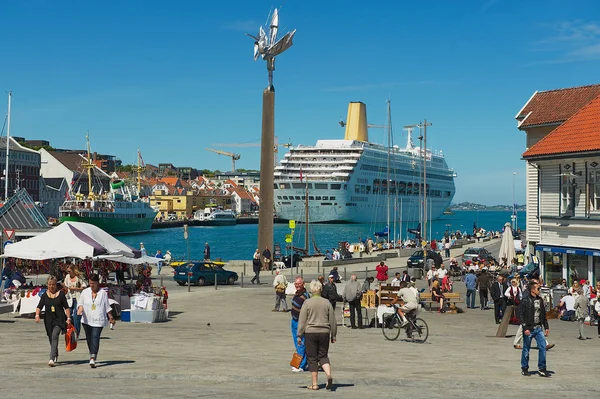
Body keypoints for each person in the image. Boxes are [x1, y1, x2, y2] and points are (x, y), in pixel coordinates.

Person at [297, 279, 337, 391]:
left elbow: (302, 320)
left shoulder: (307, 303)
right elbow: (332, 320)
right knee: (323, 356)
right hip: (324, 332)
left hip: (311, 333)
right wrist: (333, 335)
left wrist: (299, 334)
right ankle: (328, 375)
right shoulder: (327, 302)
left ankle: (314, 384)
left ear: (311, 290)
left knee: (312, 358)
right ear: (320, 289)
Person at [77, 274, 115, 368]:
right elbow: (80, 303)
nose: (91, 285)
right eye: (90, 283)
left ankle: (93, 357)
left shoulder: (103, 293)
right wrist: (80, 308)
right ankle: (92, 353)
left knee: (95, 337)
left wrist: (111, 317)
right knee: (89, 339)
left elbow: (107, 307)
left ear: (98, 283)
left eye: (93, 283)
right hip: (86, 319)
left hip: (98, 320)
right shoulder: (85, 292)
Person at [35, 276, 71, 367]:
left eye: (53, 285)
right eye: (50, 285)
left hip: (59, 319)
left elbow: (66, 307)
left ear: (56, 285)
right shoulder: (44, 295)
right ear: (47, 285)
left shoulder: (61, 294)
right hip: (48, 320)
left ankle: (51, 358)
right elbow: (39, 306)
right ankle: (55, 353)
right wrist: (37, 315)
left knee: (55, 336)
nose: (51, 286)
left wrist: (68, 318)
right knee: (51, 337)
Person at [517, 281, 550, 377]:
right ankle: (524, 368)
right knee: (526, 349)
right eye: (538, 289)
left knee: (543, 347)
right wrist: (525, 328)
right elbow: (520, 315)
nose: (539, 290)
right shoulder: (525, 300)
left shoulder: (540, 300)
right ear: (532, 290)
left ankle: (542, 368)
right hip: (529, 328)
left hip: (538, 328)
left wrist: (546, 327)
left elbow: (543, 315)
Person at [290, 277, 310, 372]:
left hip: (300, 322)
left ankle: (300, 365)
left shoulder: (306, 296)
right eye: (296, 284)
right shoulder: (298, 293)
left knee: (300, 343)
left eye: (299, 284)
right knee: (297, 344)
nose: (297, 286)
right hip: (294, 321)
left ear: (303, 284)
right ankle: (304, 363)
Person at [62, 265, 87, 336]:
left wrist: (75, 288)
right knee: (68, 315)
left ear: (73, 270)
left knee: (76, 316)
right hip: (70, 298)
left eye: (70, 271)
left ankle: (76, 333)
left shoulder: (79, 277)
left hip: (78, 298)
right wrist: (64, 286)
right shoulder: (67, 277)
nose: (68, 273)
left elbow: (84, 287)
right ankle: (68, 330)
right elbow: (67, 288)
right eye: (68, 271)